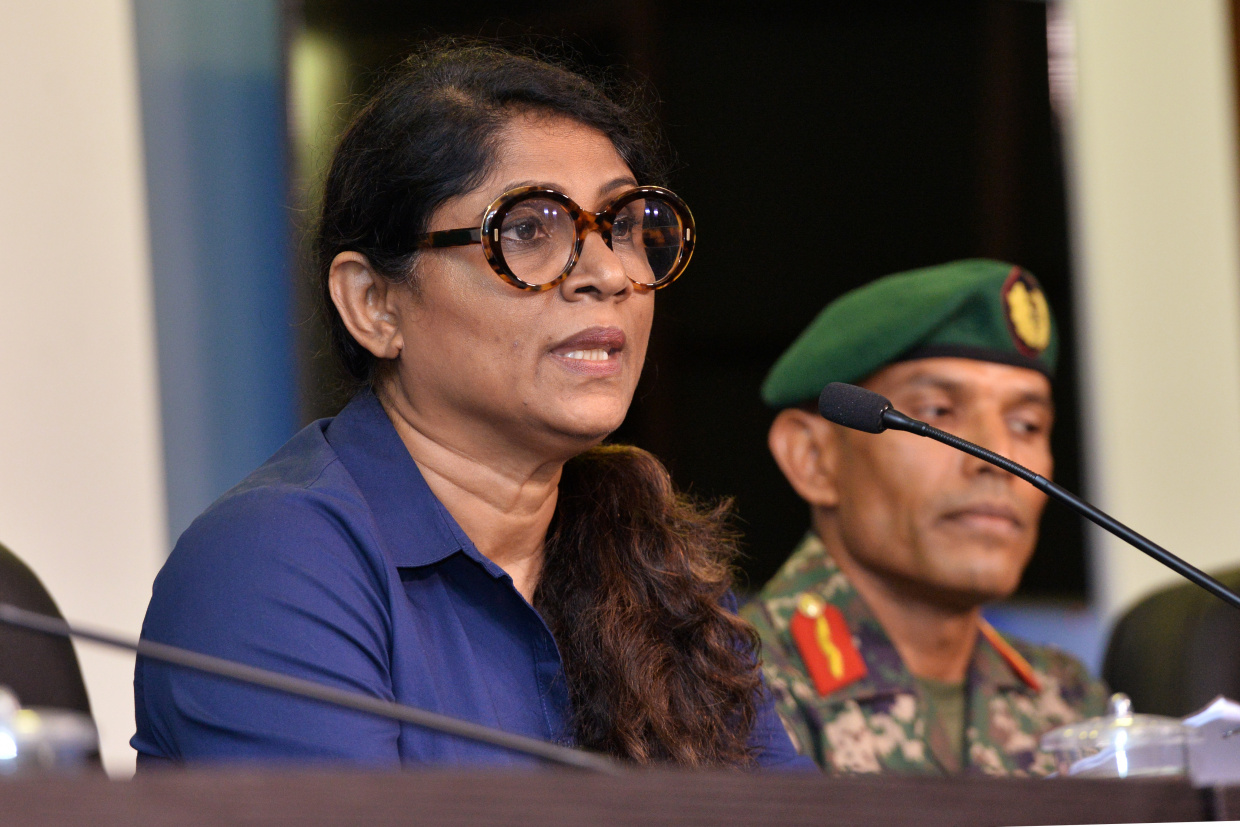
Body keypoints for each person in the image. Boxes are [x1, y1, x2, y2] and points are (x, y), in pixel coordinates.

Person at [132, 42, 807, 770]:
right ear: (373, 304)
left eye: (625, 225)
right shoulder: (273, 562)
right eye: (528, 229)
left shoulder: (652, 563)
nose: (609, 273)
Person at [741, 260, 1108, 775]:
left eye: (1026, 424)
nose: (997, 458)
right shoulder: (726, 687)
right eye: (937, 412)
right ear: (813, 458)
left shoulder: (1067, 701)